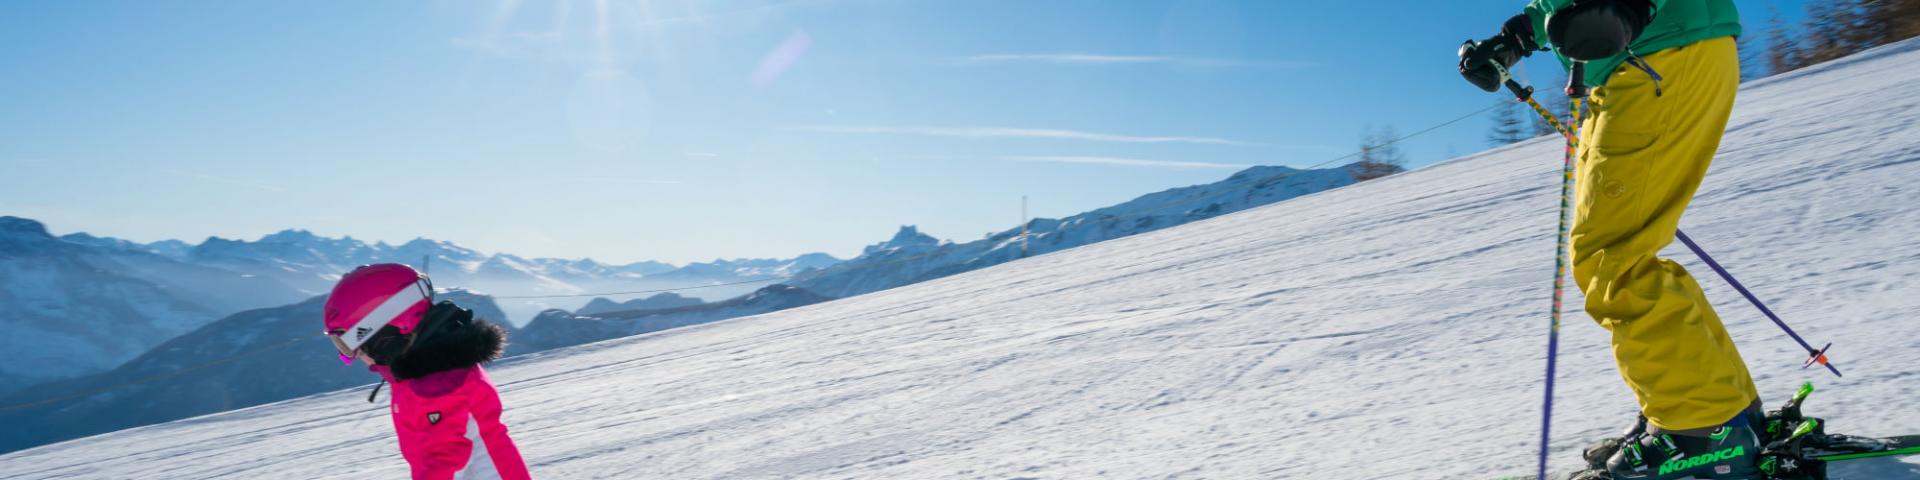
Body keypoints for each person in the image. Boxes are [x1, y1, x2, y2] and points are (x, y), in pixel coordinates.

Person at [1458, 1, 1763, 479]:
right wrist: (1517, 37)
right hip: (1630, 63)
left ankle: (1702, 427)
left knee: (1614, 260)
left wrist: (1630, 5)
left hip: (1659, 54)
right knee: (1616, 254)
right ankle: (1724, 413)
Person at [323, 263, 532, 479]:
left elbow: (443, 462)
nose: (352, 355)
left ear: (382, 335)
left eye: (345, 344)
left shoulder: (438, 386)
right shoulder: (419, 373)